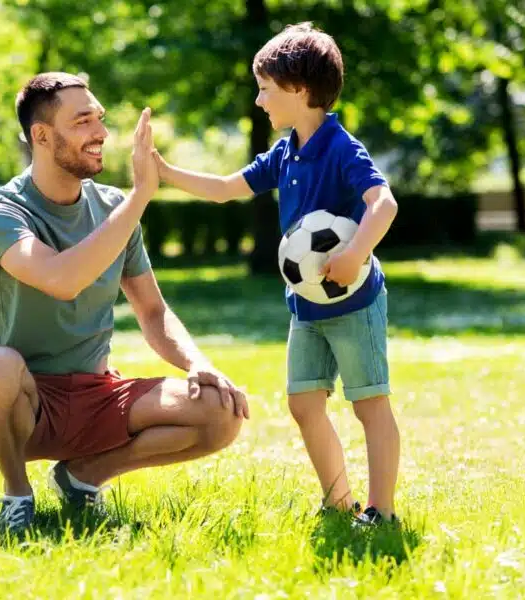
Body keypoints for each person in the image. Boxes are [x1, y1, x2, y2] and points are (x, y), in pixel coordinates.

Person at [0, 72, 249, 535]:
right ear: (41, 135)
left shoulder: (114, 209)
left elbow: (153, 312)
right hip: (20, 399)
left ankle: (82, 477)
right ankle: (17, 493)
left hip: (96, 393)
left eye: (100, 119)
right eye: (82, 121)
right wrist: (139, 198)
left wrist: (197, 361)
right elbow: (62, 279)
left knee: (219, 410)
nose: (100, 133)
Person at [151, 24, 401, 526]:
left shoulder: (341, 148)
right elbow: (225, 187)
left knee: (369, 405)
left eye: (265, 87)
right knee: (304, 403)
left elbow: (384, 203)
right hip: (306, 305)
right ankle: (338, 502)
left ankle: (382, 511)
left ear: (299, 90)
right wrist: (162, 171)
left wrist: (356, 252)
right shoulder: (285, 151)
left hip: (353, 302)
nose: (260, 99)